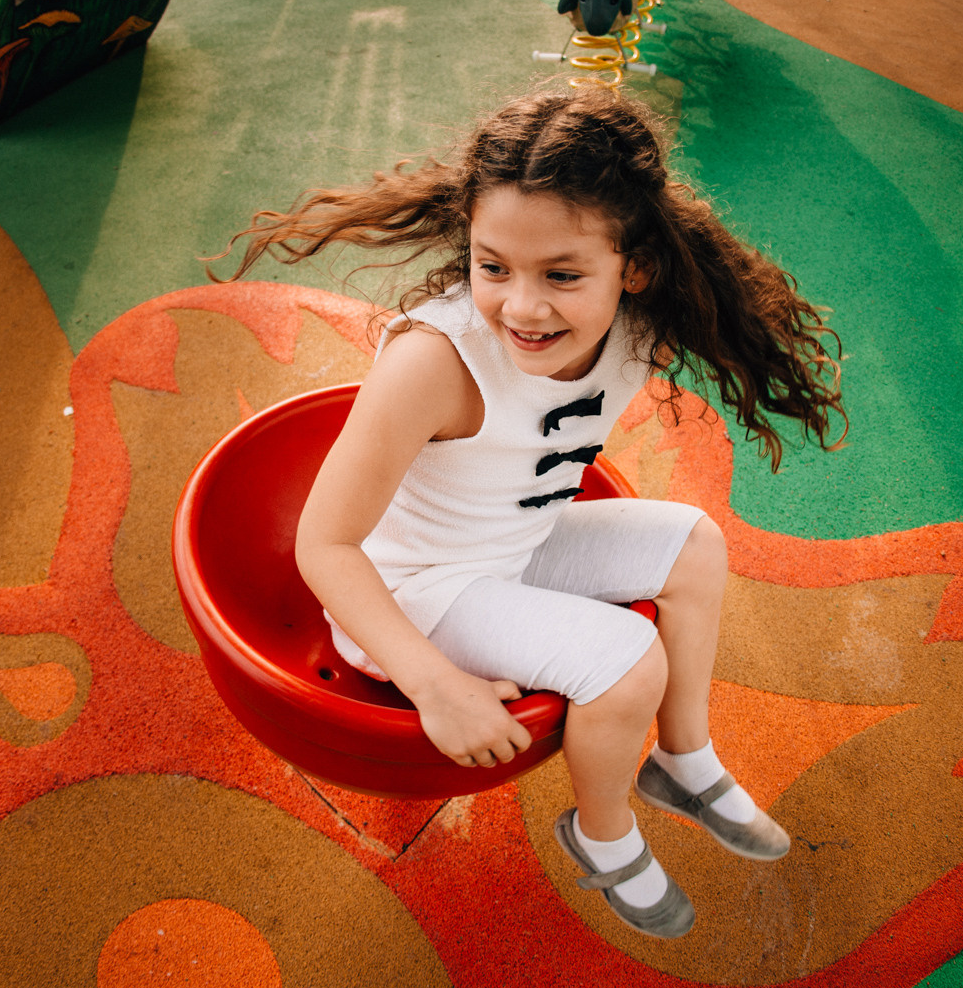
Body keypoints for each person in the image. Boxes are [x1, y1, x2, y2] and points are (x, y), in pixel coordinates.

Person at [219, 91, 845, 939]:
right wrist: (435, 683)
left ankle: (681, 760)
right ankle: (601, 833)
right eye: (492, 266)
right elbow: (324, 544)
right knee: (628, 662)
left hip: (509, 549)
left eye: (562, 274)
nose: (521, 306)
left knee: (694, 546)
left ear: (637, 268)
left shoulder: (644, 325)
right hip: (408, 595)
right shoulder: (434, 365)